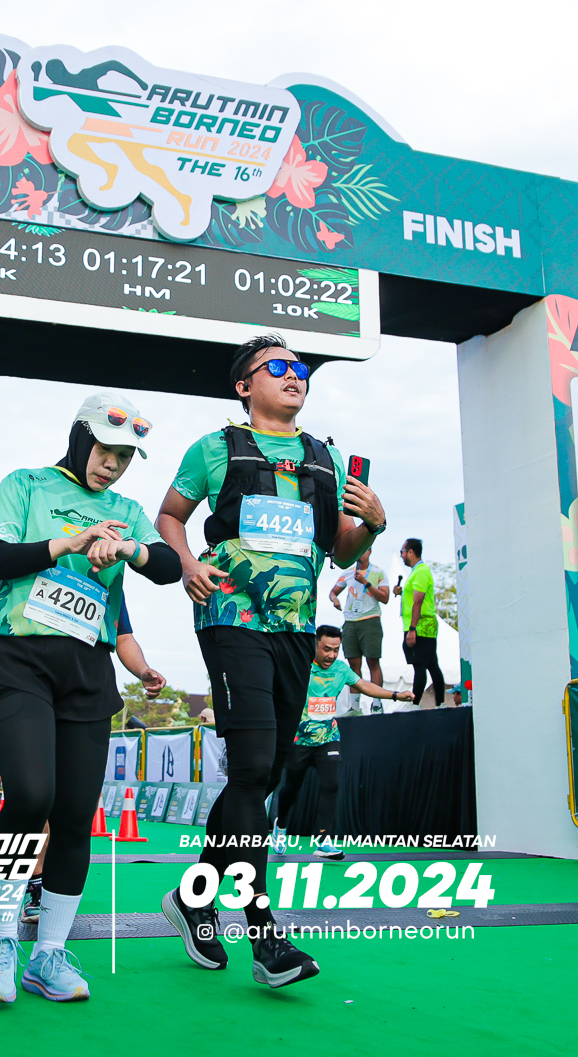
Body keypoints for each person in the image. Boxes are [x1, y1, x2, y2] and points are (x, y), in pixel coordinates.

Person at [155, 333, 387, 989]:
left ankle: (194, 898)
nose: (295, 376)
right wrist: (187, 564)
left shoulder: (326, 458)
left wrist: (373, 524)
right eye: (278, 367)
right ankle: (264, 935)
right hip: (231, 619)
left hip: (296, 630)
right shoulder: (215, 448)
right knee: (254, 767)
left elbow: (340, 551)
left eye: (301, 369)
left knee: (261, 777)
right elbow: (170, 515)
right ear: (244, 385)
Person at [0, 391, 180, 1005]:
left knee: (76, 814)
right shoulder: (26, 485)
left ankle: (48, 955)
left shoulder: (127, 511)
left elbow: (166, 566)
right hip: (16, 659)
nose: (112, 465)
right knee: (32, 794)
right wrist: (70, 542)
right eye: (105, 450)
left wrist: (128, 548)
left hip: (85, 670)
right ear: (80, 437)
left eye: (125, 457)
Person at [274, 626, 412, 860]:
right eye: (326, 649)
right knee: (292, 787)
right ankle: (281, 825)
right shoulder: (300, 665)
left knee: (331, 785)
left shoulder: (340, 669)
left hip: (328, 737)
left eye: (336, 650)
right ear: (315, 645)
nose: (331, 655)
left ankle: (323, 840)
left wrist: (396, 695)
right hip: (299, 740)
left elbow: (365, 686)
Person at [328, 548, 390, 711]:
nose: (360, 553)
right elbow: (333, 592)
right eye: (358, 550)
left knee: (373, 661)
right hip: (350, 622)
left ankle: (377, 704)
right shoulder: (348, 572)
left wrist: (366, 583)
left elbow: (385, 598)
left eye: (363, 550)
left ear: (369, 551)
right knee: (353, 664)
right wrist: (335, 599)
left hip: (370, 620)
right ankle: (354, 708)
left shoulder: (378, 572)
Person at [393, 539, 444, 708]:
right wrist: (402, 593)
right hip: (422, 625)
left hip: (421, 625)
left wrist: (412, 629)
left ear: (410, 552)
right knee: (431, 664)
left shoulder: (421, 571)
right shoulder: (416, 571)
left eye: (402, 552)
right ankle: (440, 703)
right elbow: (413, 598)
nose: (401, 555)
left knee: (420, 665)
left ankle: (415, 704)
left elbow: (418, 601)